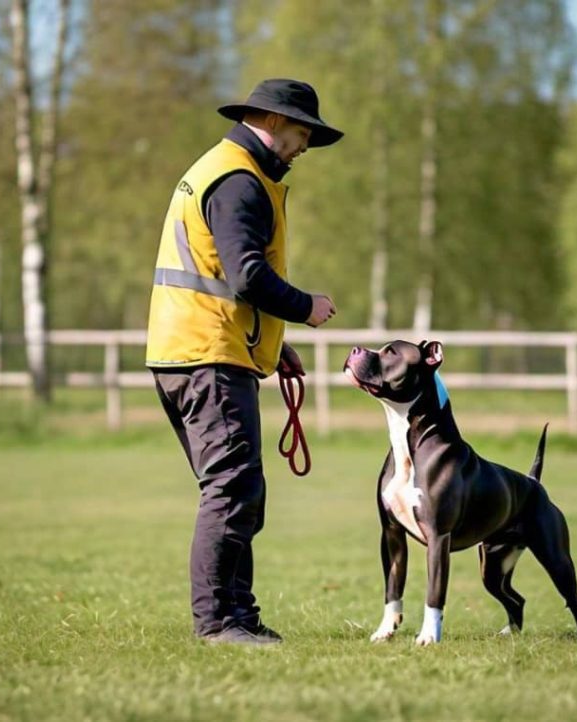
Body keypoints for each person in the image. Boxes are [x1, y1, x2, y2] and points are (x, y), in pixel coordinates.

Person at [145, 79, 342, 645]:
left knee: (237, 489)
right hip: (207, 354)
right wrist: (306, 307)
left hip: (196, 348)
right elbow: (247, 275)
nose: (305, 147)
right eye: (303, 133)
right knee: (232, 488)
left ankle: (240, 616)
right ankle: (218, 623)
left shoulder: (224, 168)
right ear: (274, 122)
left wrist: (273, 347)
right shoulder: (238, 181)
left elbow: (218, 277)